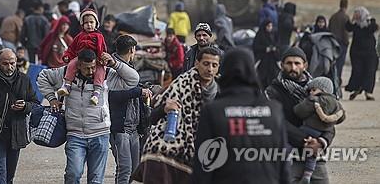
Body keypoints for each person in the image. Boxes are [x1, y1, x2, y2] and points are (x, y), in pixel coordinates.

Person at [37, 49, 139, 184]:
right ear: (78, 65)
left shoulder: (106, 75)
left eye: (93, 67)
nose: (91, 71)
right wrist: (52, 99)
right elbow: (42, 77)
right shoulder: (65, 73)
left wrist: (115, 64)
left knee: (96, 179)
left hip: (100, 134)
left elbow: (133, 79)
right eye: (87, 68)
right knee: (73, 174)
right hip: (75, 135)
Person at [193, 48, 290, 184]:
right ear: (252, 71)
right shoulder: (274, 110)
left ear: (224, 71)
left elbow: (203, 167)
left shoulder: (213, 111)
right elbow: (284, 166)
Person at [133, 47, 221, 184]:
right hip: (170, 148)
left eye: (214, 65)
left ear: (218, 68)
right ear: (197, 64)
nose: (209, 69)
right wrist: (165, 108)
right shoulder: (180, 85)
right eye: (206, 64)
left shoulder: (221, 91)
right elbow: (153, 117)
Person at [266, 47, 334, 184]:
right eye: (289, 63)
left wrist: (321, 142)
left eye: (297, 63)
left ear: (305, 65)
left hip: (315, 156)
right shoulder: (272, 91)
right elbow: (277, 122)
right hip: (289, 157)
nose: (293, 67)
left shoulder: (318, 90)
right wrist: (306, 141)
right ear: (281, 65)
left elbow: (329, 120)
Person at [0, 48, 39, 184]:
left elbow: (35, 103)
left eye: (12, 63)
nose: (10, 67)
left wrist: (25, 106)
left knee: (10, 176)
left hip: (16, 134)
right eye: (5, 63)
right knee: (0, 171)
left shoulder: (24, 80)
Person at [108, 35, 152, 184]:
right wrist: (139, 92)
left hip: (134, 128)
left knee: (134, 169)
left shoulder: (127, 67)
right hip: (120, 128)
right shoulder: (112, 69)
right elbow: (112, 96)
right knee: (124, 169)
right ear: (132, 50)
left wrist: (143, 89)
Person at [294, 77, 345, 184]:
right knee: (313, 154)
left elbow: (299, 112)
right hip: (321, 134)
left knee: (289, 143)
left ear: (323, 90)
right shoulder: (336, 103)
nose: (311, 92)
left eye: (313, 89)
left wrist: (307, 101)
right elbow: (341, 117)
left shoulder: (315, 100)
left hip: (308, 129)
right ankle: (308, 174)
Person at [58, 9, 107, 105]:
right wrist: (67, 56)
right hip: (80, 58)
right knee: (72, 64)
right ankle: (67, 85)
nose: (89, 25)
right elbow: (72, 48)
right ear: (82, 24)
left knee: (100, 70)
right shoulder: (79, 36)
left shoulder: (99, 36)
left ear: (96, 23)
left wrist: (102, 59)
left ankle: (96, 93)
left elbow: (102, 49)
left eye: (91, 22)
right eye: (86, 23)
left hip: (95, 59)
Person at [345, 7, 378, 101]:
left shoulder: (370, 22)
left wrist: (368, 22)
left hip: (370, 53)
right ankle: (355, 89)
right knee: (357, 71)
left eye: (358, 13)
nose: (357, 15)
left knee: (370, 71)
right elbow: (348, 28)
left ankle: (368, 92)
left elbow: (374, 28)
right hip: (357, 53)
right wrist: (352, 19)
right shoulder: (355, 24)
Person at [328, 0, 350, 88]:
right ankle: (337, 80)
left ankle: (332, 79)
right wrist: (347, 42)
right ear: (346, 6)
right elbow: (346, 31)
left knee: (333, 63)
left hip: (332, 42)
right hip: (341, 43)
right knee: (340, 63)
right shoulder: (345, 17)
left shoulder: (333, 16)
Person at [253, 20, 280, 89]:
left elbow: (277, 45)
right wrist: (265, 49)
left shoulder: (273, 34)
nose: (270, 28)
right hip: (263, 60)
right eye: (268, 26)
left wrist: (274, 48)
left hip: (272, 60)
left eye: (271, 26)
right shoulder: (260, 35)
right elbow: (256, 46)